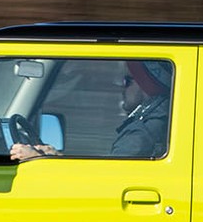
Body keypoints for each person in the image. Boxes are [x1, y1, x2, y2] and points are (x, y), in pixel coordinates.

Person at [10, 60, 171, 161]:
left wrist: (39, 161)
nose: (121, 87)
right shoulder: (153, 123)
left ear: (146, 86)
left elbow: (106, 181)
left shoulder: (143, 133)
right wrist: (55, 158)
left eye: (127, 80)